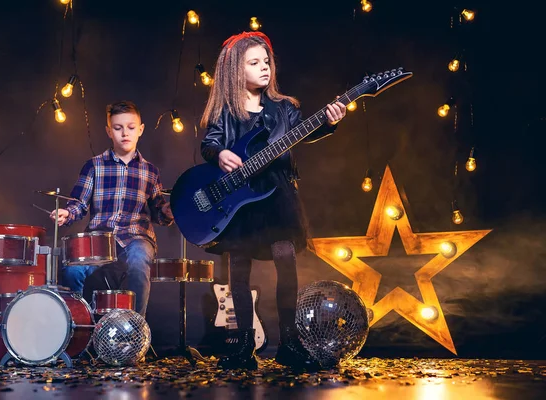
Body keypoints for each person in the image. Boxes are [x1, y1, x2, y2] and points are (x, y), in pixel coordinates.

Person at [199, 31, 347, 370]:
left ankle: (289, 343)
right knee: (238, 269)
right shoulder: (226, 113)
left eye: (266, 61)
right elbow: (210, 144)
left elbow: (309, 130)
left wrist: (330, 121)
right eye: (254, 63)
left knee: (286, 260)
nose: (264, 68)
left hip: (277, 196)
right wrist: (220, 153)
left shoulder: (284, 109)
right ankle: (243, 346)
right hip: (241, 201)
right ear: (235, 71)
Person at [50, 100, 174, 318]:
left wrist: (167, 212)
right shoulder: (94, 165)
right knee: (71, 270)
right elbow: (79, 203)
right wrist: (67, 213)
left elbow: (157, 210)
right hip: (99, 239)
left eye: (131, 127)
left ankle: (134, 330)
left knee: (138, 258)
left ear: (141, 130)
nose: (125, 133)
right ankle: (79, 332)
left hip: (136, 237)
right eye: (118, 128)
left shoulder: (150, 171)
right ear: (109, 131)